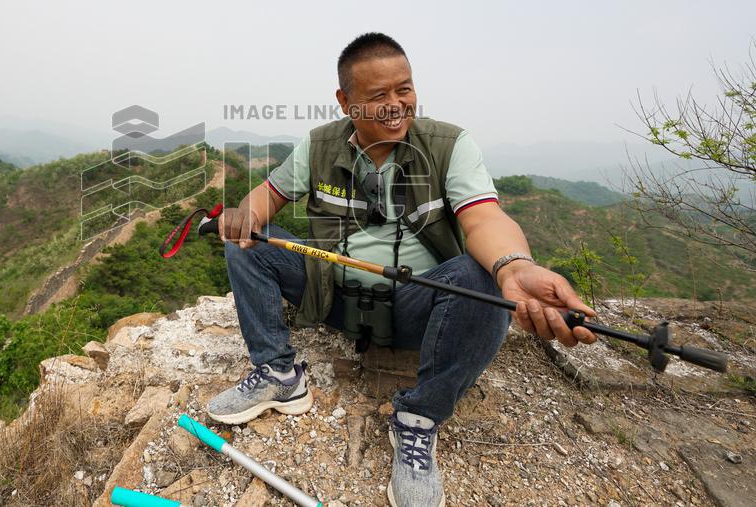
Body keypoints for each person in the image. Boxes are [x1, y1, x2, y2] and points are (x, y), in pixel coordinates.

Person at [208, 32, 598, 507]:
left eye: (405, 89)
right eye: (378, 96)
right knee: (246, 245)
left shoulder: (448, 145)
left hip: (420, 307)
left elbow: (484, 219)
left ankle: (418, 420)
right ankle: (278, 375)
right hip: (331, 296)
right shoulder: (319, 146)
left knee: (481, 277)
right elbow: (266, 197)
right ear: (345, 101)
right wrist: (243, 218)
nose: (396, 105)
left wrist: (513, 266)